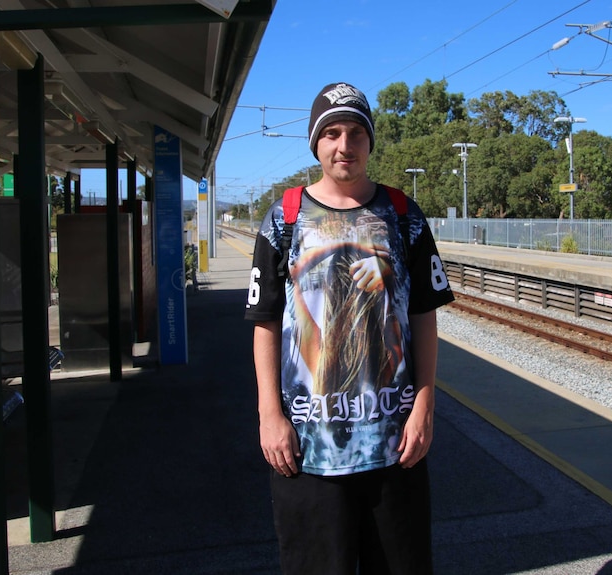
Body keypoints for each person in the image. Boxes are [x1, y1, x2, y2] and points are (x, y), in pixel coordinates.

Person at [245, 82, 454, 574]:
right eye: (332, 132)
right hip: (308, 451)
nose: (345, 144)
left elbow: (424, 316)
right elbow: (264, 323)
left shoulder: (403, 215)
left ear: (369, 141)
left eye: (356, 132)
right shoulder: (285, 218)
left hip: (394, 444)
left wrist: (424, 403)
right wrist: (269, 416)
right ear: (316, 143)